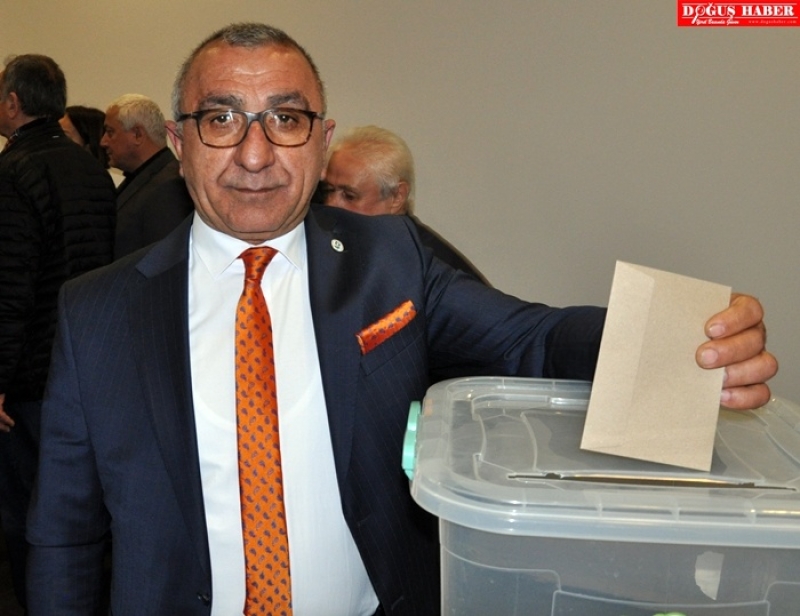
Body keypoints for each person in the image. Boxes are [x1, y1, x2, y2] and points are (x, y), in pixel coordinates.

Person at [25, 23, 777, 616]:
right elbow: (64, 534)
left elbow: (533, 337)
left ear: (322, 143)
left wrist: (681, 342)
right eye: (222, 118)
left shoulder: (390, 262)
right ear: (180, 143)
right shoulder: (98, 311)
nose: (255, 154)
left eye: (286, 118)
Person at [0, 53, 116, 613]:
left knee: (26, 514)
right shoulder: (91, 169)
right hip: (87, 365)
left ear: (13, 103)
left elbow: (10, 283)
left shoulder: (13, 172)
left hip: (29, 376)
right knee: (78, 511)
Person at [319, 125, 488, 283]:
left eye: (349, 196)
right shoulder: (323, 234)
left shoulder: (435, 268)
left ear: (397, 197)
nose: (331, 204)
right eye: (328, 190)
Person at [100, 93, 194, 258]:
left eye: (110, 132)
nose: (103, 142)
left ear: (138, 134)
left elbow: (164, 259)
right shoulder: (145, 178)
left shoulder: (169, 186)